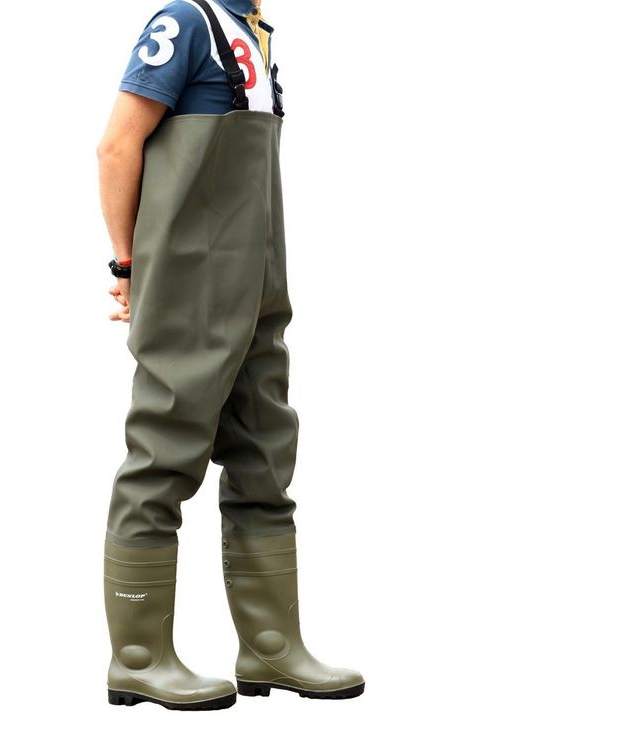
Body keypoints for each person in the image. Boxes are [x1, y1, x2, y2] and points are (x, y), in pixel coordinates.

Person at [95, 0, 364, 711]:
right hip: (190, 276)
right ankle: (138, 658)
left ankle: (272, 647)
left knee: (265, 451)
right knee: (165, 451)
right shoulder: (186, 23)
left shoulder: (254, 32)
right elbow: (117, 146)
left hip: (258, 280)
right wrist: (128, 266)